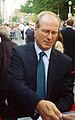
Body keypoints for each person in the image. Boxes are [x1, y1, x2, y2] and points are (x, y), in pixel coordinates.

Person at [8, 11, 74, 120]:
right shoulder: (18, 53)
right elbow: (16, 84)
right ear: (35, 30)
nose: (49, 37)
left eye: (54, 33)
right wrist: (38, 105)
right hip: (22, 116)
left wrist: (50, 113)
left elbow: (67, 96)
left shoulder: (65, 61)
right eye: (45, 31)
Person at [0, 25, 17, 119]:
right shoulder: (15, 46)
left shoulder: (0, 47)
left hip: (2, 80)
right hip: (13, 79)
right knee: (13, 102)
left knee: (1, 103)